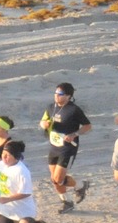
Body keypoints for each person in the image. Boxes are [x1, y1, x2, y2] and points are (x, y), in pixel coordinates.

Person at [39, 83, 92, 211]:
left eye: (60, 94)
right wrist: (44, 124)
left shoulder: (74, 110)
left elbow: (87, 126)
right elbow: (42, 121)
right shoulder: (51, 107)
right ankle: (68, 201)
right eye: (56, 93)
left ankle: (80, 185)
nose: (57, 96)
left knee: (58, 178)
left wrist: (75, 134)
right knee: (55, 180)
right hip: (54, 146)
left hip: (67, 148)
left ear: (68, 96)